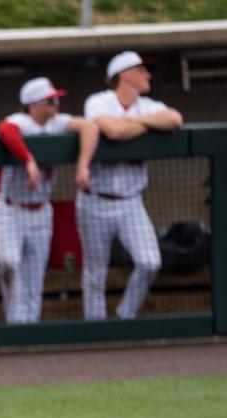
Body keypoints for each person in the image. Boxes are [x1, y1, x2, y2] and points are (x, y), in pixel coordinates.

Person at [80, 51, 183, 320]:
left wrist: (136, 122)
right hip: (95, 201)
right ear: (124, 75)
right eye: (141, 70)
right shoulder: (99, 101)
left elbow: (175, 119)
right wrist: (147, 127)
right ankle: (96, 328)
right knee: (95, 274)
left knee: (150, 262)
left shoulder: (147, 106)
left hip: (131, 202)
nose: (148, 75)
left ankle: (125, 315)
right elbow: (112, 131)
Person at [0, 77, 99, 324]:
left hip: (41, 211)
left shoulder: (57, 123)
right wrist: (29, 160)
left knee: (33, 278)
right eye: (50, 100)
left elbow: (90, 127)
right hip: (11, 209)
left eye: (56, 99)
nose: (56, 104)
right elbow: (5, 129)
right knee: (9, 264)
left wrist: (82, 165)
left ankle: (29, 330)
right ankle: (15, 326)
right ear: (33, 105)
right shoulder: (21, 122)